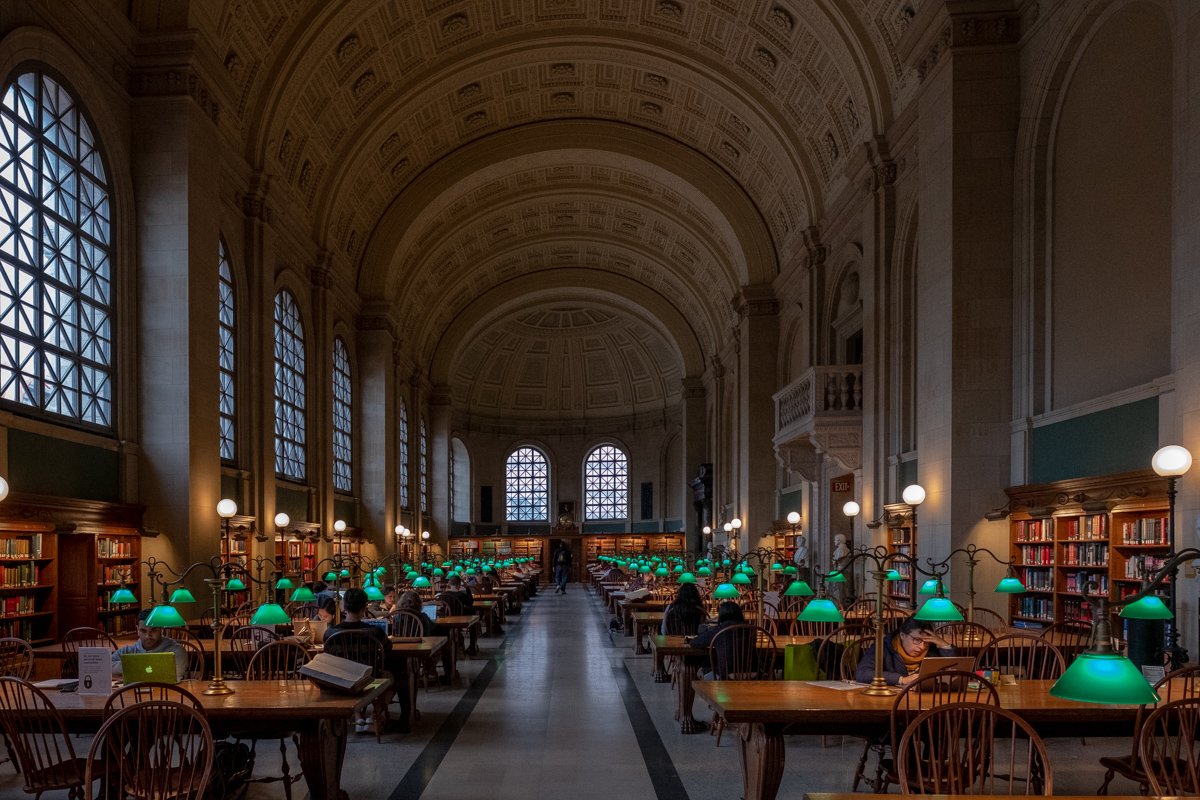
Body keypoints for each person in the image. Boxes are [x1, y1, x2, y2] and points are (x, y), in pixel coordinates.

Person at [855, 617, 956, 686]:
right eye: (917, 640)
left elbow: (952, 673)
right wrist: (902, 680)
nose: (922, 647)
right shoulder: (883, 647)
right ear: (903, 635)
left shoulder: (930, 650)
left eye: (926, 642)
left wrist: (944, 645)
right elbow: (862, 673)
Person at [111, 608, 189, 678]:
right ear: (137, 630)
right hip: (132, 693)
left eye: (154, 630)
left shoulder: (177, 651)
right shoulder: (127, 651)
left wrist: (130, 667)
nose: (148, 636)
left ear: (161, 629)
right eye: (143, 631)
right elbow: (105, 666)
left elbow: (174, 675)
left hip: (167, 693)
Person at [687, 601, 751, 678]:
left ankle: (700, 689)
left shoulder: (720, 630)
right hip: (751, 674)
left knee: (701, 669)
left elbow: (694, 643)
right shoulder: (751, 630)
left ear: (721, 615)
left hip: (725, 676)